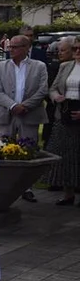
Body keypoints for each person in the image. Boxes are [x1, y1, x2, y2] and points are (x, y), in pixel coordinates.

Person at [0, 35, 49, 145]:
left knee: (28, 149)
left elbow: (42, 90)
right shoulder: (0, 66)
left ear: (26, 48)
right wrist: (13, 106)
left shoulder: (39, 66)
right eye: (10, 47)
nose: (11, 50)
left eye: (15, 47)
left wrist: (24, 106)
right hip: (5, 114)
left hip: (30, 114)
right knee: (3, 148)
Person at [45, 38, 80, 205]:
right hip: (64, 113)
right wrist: (55, 97)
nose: (77, 52)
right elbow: (52, 87)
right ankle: (68, 194)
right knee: (65, 155)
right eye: (75, 49)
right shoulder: (65, 66)